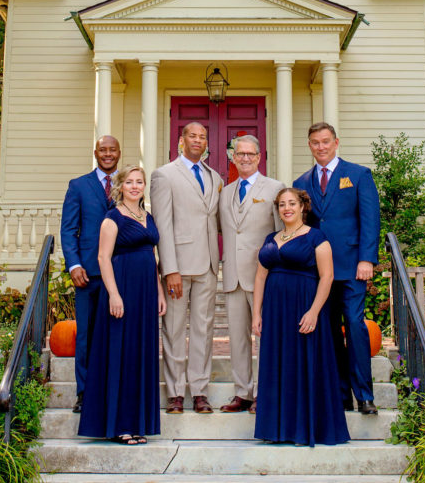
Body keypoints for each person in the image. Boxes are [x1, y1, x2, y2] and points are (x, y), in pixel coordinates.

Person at [293, 122, 381, 415]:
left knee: (355, 327)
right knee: (328, 333)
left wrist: (367, 259)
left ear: (336, 142)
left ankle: (364, 395)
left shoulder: (358, 175)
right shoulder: (302, 182)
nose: (321, 147)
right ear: (310, 146)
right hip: (319, 273)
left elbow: (369, 219)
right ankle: (341, 394)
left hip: (352, 268)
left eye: (326, 141)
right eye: (315, 142)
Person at [251, 187, 349, 446]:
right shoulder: (271, 237)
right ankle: (277, 429)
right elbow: (260, 276)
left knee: (303, 363)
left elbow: (327, 277)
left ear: (303, 206)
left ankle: (304, 428)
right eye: (282, 204)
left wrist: (314, 311)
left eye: (292, 203)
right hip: (274, 311)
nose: (287, 208)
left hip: (304, 307)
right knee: (277, 364)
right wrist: (256, 314)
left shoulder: (317, 237)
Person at [78, 165, 166, 444]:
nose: (135, 186)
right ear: (120, 186)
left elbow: (151, 256)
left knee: (140, 354)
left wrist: (160, 291)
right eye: (129, 182)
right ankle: (119, 425)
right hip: (122, 291)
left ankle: (137, 422)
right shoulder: (111, 218)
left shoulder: (147, 216)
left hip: (146, 293)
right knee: (121, 354)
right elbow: (103, 258)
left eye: (139, 182)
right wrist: (114, 294)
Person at [150, 121, 222, 414]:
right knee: (175, 329)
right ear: (181, 140)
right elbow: (162, 225)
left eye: (203, 136)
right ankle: (176, 393)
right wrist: (170, 269)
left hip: (207, 264)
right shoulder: (164, 175)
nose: (198, 140)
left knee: (205, 329)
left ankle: (200, 391)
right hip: (178, 265)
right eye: (192, 135)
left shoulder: (214, 176)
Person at [218, 135, 281, 413]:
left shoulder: (275, 189)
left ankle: (264, 392)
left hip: (263, 277)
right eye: (240, 154)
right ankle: (242, 393)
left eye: (250, 154)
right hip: (232, 276)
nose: (245, 158)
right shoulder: (225, 192)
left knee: (264, 336)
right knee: (238, 339)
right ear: (233, 157)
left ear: (259, 157)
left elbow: (282, 234)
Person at [60, 135, 121, 413]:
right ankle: (85, 393)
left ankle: (114, 390)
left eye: (113, 150)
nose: (108, 154)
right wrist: (73, 264)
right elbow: (68, 229)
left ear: (119, 153)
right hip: (87, 272)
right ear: (95, 152)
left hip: (121, 271)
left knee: (116, 334)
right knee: (85, 335)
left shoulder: (128, 184)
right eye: (103, 150)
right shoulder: (78, 186)